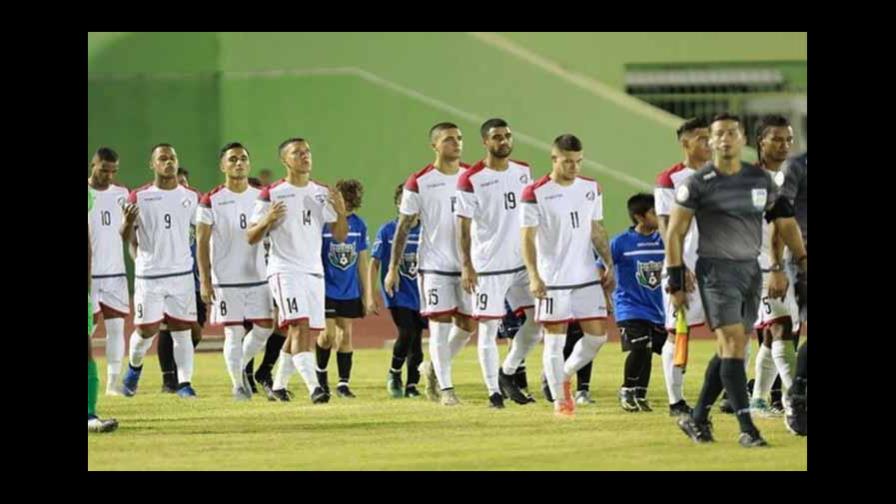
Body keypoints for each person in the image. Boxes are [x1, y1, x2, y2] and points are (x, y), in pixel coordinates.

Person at [669, 114, 805, 447]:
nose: (726, 138)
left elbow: (784, 221)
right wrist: (675, 281)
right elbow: (675, 232)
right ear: (712, 141)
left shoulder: (759, 180)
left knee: (734, 348)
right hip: (716, 271)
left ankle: (698, 416)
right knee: (734, 345)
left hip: (751, 271)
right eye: (719, 134)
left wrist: (801, 259)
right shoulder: (697, 183)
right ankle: (748, 428)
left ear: (742, 138)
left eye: (732, 132)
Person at [247, 137, 349, 404]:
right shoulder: (272, 193)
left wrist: (340, 212)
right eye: (297, 153)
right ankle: (315, 387)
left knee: (298, 332)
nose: (305, 156)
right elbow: (251, 236)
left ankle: (278, 386)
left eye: (307, 152)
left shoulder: (321, 192)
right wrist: (267, 220)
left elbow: (339, 236)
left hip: (313, 272)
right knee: (300, 326)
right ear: (285, 160)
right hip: (284, 270)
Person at [521, 134, 615, 417]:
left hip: (585, 275)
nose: (575, 167)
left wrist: (608, 261)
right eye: (568, 162)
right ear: (554, 159)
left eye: (578, 161)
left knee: (597, 338)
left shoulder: (591, 188)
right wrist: (534, 275)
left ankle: (563, 375)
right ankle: (561, 402)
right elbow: (527, 238)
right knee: (555, 340)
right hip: (553, 280)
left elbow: (596, 228)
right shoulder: (535, 192)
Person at [384, 122, 475, 406]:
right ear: (434, 145)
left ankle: (433, 367)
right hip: (434, 265)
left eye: (459, 138)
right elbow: (404, 226)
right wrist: (393, 268)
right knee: (440, 325)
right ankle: (446, 389)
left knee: (468, 324)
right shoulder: (419, 182)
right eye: (449, 139)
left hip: (466, 265)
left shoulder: (471, 177)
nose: (457, 144)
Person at [455, 118, 540, 408]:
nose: (503, 141)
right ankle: (493, 392)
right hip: (488, 266)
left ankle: (507, 371)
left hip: (521, 264)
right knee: (489, 329)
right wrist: (466, 265)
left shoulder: (523, 171)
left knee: (538, 320)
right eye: (496, 137)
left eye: (507, 136)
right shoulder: (470, 179)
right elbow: (463, 226)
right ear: (485, 142)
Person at [121, 144, 202, 398]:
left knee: (182, 331)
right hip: (150, 276)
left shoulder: (191, 196)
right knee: (146, 333)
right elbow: (125, 237)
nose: (169, 162)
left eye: (173, 158)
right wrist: (127, 221)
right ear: (152, 164)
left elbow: (200, 234)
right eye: (163, 158)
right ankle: (134, 369)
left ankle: (185, 384)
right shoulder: (139, 196)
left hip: (181, 275)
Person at [196, 143, 275, 401]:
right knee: (234, 331)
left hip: (258, 275)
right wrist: (205, 280)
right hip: (227, 278)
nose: (238, 163)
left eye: (243, 159)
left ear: (249, 164)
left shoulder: (263, 196)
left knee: (264, 327)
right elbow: (201, 242)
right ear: (223, 166)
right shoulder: (211, 200)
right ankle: (238, 385)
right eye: (233, 159)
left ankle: (239, 366)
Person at [316, 179, 373, 398]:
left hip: (349, 290)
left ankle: (342, 384)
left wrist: (367, 294)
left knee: (345, 335)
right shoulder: (323, 223)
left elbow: (362, 261)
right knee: (328, 334)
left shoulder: (359, 225)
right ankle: (320, 377)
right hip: (325, 288)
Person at [372, 184, 426, 398]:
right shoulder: (387, 230)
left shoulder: (427, 231)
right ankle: (394, 374)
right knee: (407, 332)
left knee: (417, 339)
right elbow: (374, 262)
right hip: (398, 292)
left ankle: (412, 385)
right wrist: (370, 293)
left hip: (421, 292)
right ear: (398, 205)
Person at [88, 147, 130, 395]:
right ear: (93, 165)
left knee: (116, 328)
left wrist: (129, 223)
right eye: (104, 170)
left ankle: (113, 385)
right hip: (89, 275)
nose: (109, 176)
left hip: (115, 273)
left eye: (113, 171)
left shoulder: (122, 194)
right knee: (89, 330)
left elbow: (124, 235)